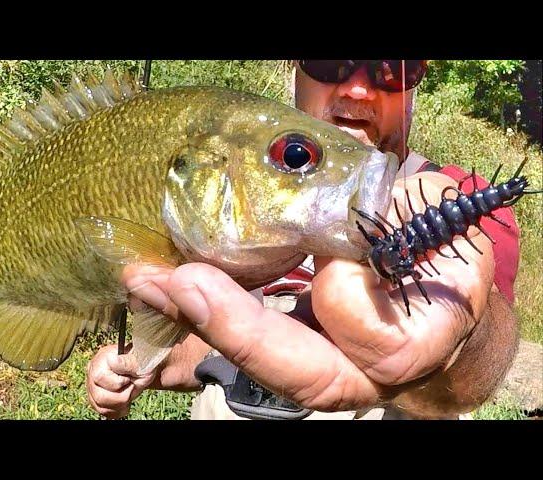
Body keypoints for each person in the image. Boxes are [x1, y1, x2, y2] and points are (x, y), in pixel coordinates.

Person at [86, 60, 521, 420]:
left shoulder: (463, 205)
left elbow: (476, 371)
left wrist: (459, 332)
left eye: (387, 68)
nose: (357, 90)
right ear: (296, 68)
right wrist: (154, 366)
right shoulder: (236, 182)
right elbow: (219, 344)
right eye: (330, 62)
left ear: (415, 80)